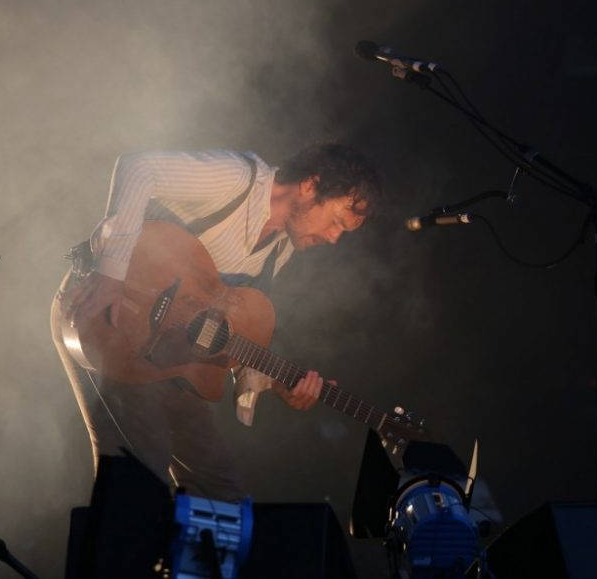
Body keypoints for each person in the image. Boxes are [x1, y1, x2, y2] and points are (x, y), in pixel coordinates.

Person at [50, 144, 381, 501]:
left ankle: (193, 555)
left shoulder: (279, 251)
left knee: (222, 493)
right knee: (141, 471)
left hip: (170, 359)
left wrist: (276, 382)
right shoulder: (236, 180)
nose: (334, 239)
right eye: (336, 223)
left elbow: (225, 329)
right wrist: (112, 272)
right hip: (106, 318)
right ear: (310, 185)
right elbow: (138, 167)